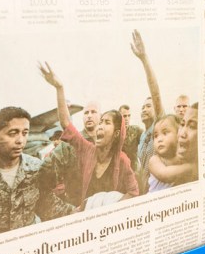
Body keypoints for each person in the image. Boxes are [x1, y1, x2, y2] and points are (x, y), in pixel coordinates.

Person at [0, 107, 74, 244]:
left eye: (25, 133)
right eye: (13, 133)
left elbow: (51, 208)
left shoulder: (38, 170)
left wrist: (86, 209)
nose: (20, 140)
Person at [39, 62, 138, 206]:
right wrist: (59, 88)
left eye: (106, 122)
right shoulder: (87, 150)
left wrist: (112, 208)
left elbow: (134, 192)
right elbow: (66, 123)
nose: (100, 126)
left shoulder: (122, 161)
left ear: (117, 134)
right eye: (101, 122)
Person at [131, 30, 165, 194]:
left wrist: (144, 59)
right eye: (143, 107)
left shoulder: (159, 125)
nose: (144, 109)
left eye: (148, 106)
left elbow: (155, 94)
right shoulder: (143, 136)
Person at [149, 102, 199, 186]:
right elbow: (164, 174)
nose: (159, 140)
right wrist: (192, 168)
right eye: (156, 136)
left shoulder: (182, 158)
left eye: (165, 133)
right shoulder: (154, 160)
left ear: (177, 135)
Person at [119, 104, 143, 174]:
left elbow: (147, 139)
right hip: (120, 171)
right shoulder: (114, 133)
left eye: (129, 116)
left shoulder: (136, 130)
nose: (127, 118)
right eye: (124, 116)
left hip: (134, 170)